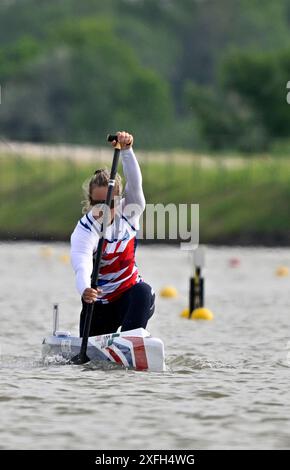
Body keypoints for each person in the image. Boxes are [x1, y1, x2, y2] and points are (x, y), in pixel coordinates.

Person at [70, 131, 155, 336]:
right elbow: (82, 265)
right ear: (90, 202)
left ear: (119, 200)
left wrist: (127, 150)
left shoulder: (130, 210)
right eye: (98, 203)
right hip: (99, 303)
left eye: (109, 203)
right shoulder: (84, 230)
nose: (104, 208)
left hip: (129, 296)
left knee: (144, 291)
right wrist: (85, 290)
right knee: (89, 364)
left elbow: (135, 183)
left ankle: (130, 342)